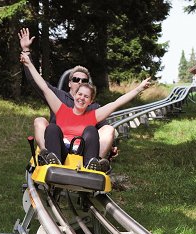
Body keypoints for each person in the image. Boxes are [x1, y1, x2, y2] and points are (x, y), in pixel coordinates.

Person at [19, 52, 151, 170]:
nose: (82, 98)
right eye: (80, 94)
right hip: (62, 150)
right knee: (53, 128)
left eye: (86, 96)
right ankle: (52, 160)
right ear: (75, 95)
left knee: (91, 130)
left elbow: (116, 103)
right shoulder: (61, 109)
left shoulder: (93, 114)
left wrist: (139, 89)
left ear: (90, 101)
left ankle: (92, 164)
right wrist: (29, 63)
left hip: (81, 152)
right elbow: (44, 87)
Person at [18, 28, 115, 163]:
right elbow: (37, 82)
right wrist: (26, 52)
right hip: (56, 140)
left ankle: (95, 163)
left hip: (81, 147)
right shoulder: (58, 96)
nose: (80, 82)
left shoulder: (93, 107)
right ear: (69, 83)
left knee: (108, 129)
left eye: (84, 81)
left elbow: (103, 129)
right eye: (76, 80)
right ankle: (46, 155)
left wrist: (112, 146)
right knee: (40, 121)